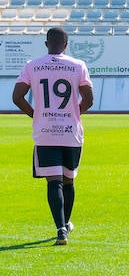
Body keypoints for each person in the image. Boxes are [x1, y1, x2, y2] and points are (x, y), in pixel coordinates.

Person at [12, 28, 94, 245]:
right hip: (70, 132)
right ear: (66, 45)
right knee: (68, 180)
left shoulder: (33, 65)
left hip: (46, 131)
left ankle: (61, 229)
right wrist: (72, 114)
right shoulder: (78, 65)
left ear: (46, 43)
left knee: (53, 182)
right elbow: (89, 98)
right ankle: (66, 224)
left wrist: (36, 115)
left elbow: (17, 97)